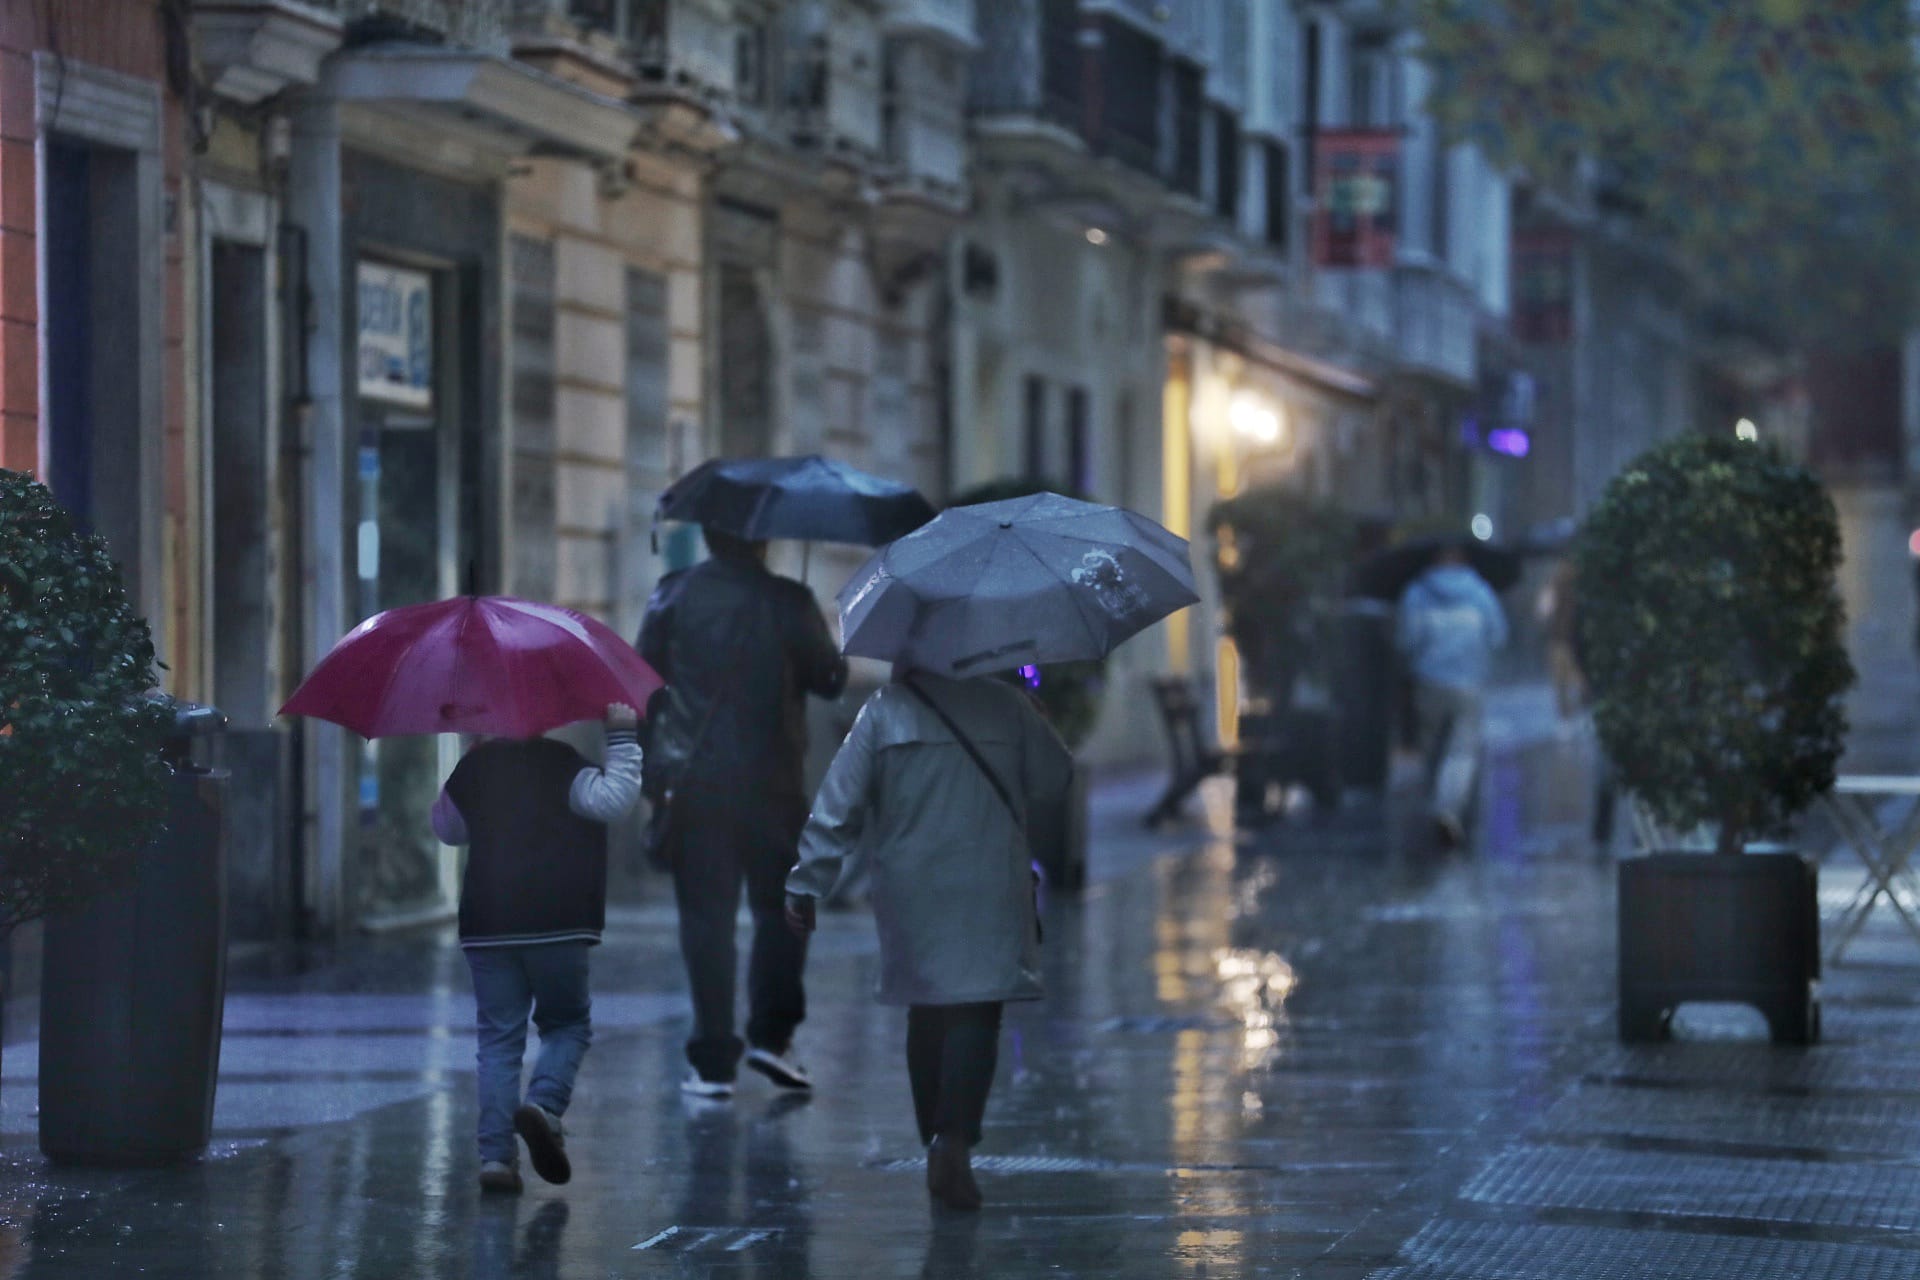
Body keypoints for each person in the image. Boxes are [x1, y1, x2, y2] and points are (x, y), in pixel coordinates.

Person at [784, 666, 1073, 1211]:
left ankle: (936, 1140)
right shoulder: (1007, 706)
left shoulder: (884, 710)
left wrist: (807, 881)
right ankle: (954, 1140)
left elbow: (838, 802)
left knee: (928, 1008)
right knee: (977, 1011)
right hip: (988, 880)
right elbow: (1055, 780)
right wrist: (1039, 720)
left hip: (910, 886)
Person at [638, 526, 849, 1099]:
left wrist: (651, 776)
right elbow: (832, 680)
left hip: (696, 787)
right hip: (773, 785)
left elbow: (643, 689)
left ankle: (711, 1062)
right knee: (784, 912)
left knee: (706, 925)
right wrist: (811, 629)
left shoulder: (673, 595)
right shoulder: (789, 600)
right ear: (765, 540)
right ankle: (771, 1037)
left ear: (708, 534)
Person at [432, 702, 644, 1194]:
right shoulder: (562, 763)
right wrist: (621, 737)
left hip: (489, 925)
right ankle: (545, 1105)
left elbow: (447, 830)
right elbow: (614, 800)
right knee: (567, 1024)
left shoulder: (476, 768)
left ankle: (495, 1159)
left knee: (498, 1041)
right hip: (559, 922)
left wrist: (468, 755)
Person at [1395, 543, 1509, 849]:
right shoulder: (1481, 592)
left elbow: (1407, 640)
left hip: (1427, 682)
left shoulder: (1416, 594)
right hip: (1469, 683)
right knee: (1461, 751)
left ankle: (1434, 800)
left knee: (1431, 747)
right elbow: (1498, 634)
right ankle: (1448, 810)